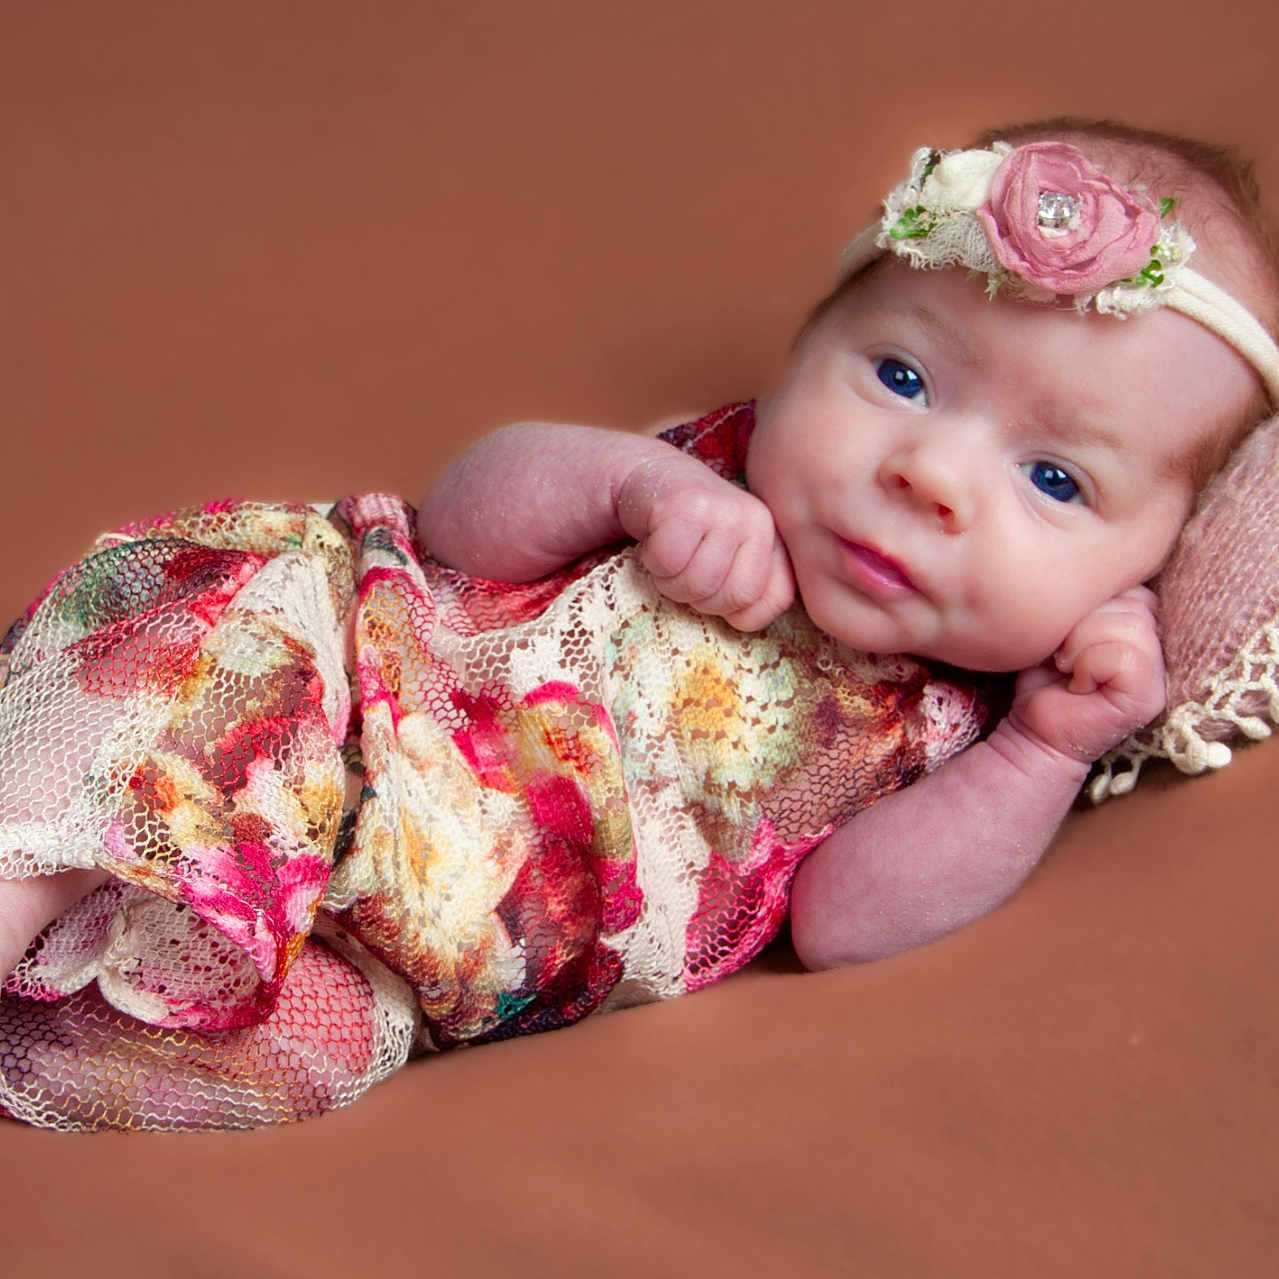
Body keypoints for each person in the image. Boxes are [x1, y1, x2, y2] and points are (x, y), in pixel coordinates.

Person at [2, 119, 1278, 1130]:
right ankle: (21, 882)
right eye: (899, 375)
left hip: (416, 933)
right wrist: (629, 482)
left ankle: (55, 974)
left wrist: (1043, 755)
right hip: (340, 686)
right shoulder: (714, 481)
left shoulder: (969, 728)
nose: (930, 474)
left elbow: (842, 923)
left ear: (1142, 573)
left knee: (301, 1046)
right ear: (802, 348)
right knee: (206, 652)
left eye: (1054, 480)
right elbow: (456, 522)